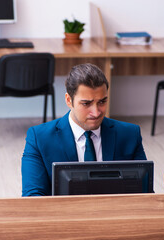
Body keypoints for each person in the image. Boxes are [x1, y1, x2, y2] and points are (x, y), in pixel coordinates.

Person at [21, 63, 147, 196]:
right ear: (69, 100)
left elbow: (145, 191)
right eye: (86, 103)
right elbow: (32, 197)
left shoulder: (130, 134)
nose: (96, 112)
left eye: (102, 102)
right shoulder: (39, 138)